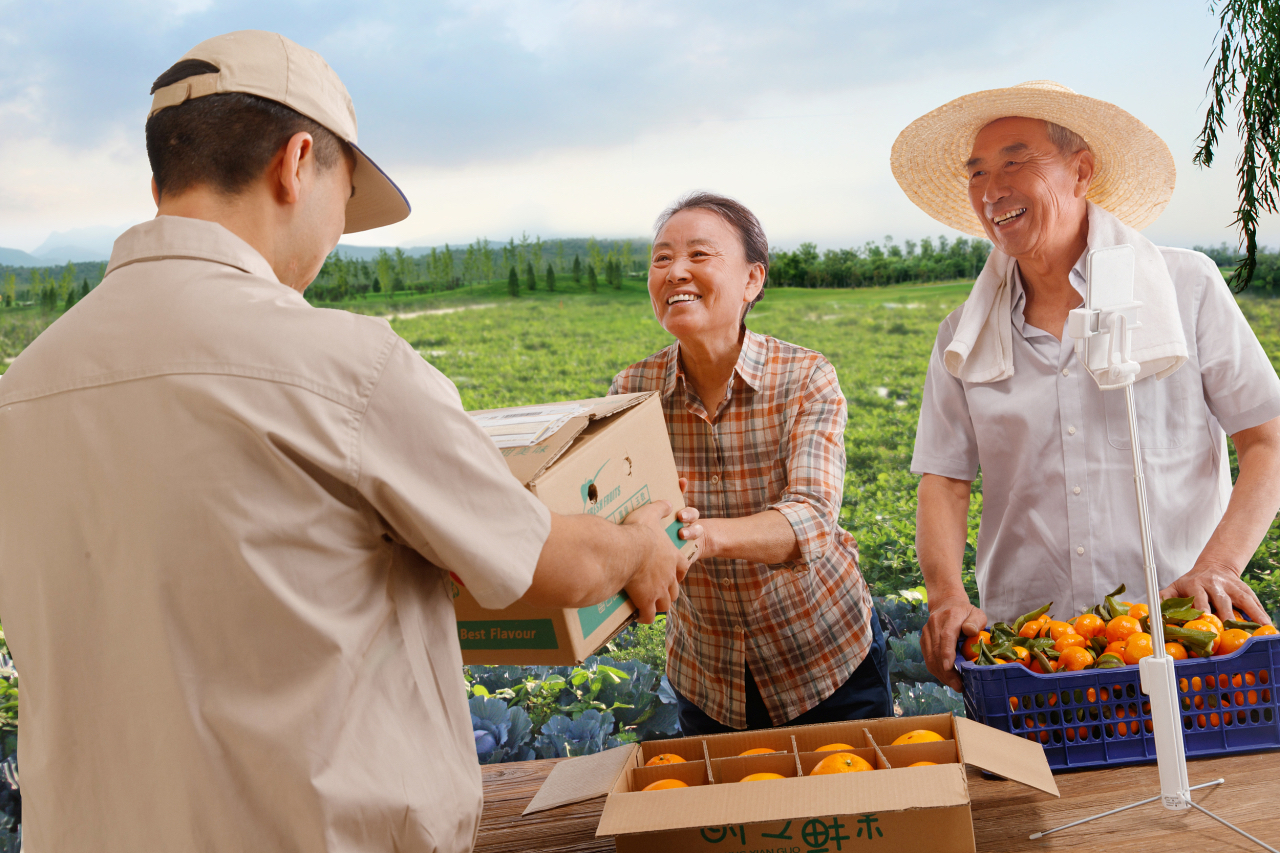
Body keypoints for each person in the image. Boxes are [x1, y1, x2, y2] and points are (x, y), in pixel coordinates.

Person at [0, 31, 687, 853]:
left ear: (160, 182)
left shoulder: (23, 390)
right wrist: (640, 546)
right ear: (296, 163)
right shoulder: (343, 367)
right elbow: (551, 564)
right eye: (345, 199)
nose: (334, 242)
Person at [889, 81, 1280, 691]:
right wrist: (945, 595)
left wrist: (1222, 567)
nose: (992, 191)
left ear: (1081, 170)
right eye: (978, 173)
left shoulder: (1186, 288)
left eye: (1015, 162)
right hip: (1033, 650)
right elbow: (944, 479)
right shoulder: (960, 337)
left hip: (1183, 633)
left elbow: (1268, 440)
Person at [609, 192, 890, 734]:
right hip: (709, 677)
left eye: (699, 255)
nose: (674, 272)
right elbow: (617, 516)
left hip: (826, 661)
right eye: (661, 259)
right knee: (733, 817)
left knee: (848, 812)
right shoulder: (632, 392)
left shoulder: (805, 377)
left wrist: (698, 536)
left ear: (752, 280)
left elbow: (811, 517)